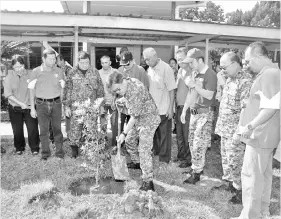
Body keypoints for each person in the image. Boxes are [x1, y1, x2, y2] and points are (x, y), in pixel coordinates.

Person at [231, 42, 280, 219]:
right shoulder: (269, 73)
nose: (246, 65)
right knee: (264, 176)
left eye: (248, 61)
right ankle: (262, 211)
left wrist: (250, 126)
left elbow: (270, 108)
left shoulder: (270, 74)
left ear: (259, 57)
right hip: (265, 137)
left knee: (251, 177)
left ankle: (249, 216)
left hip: (259, 135)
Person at [107, 70, 160, 191]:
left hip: (149, 119)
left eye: (118, 90)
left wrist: (123, 133)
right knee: (130, 140)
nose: (117, 93)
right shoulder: (127, 83)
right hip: (139, 117)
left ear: (122, 81)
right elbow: (130, 104)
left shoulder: (136, 90)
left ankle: (148, 182)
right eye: (115, 92)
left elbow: (133, 117)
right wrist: (121, 101)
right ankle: (137, 163)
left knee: (144, 149)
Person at [213, 52, 253, 204]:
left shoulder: (245, 81)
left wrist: (239, 132)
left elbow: (246, 109)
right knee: (227, 159)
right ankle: (230, 184)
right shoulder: (230, 78)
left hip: (235, 130)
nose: (222, 70)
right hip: (225, 128)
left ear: (235, 64)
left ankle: (241, 190)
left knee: (237, 161)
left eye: (224, 67)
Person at [182, 48, 217, 184]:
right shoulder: (196, 74)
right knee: (192, 141)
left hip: (205, 113)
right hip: (195, 112)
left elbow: (209, 95)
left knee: (198, 144)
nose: (190, 66)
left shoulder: (210, 74)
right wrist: (185, 110)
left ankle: (196, 173)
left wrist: (194, 86)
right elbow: (192, 94)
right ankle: (195, 167)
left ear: (200, 60)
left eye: (191, 62)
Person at [64, 51, 105, 158]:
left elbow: (100, 89)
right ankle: (74, 151)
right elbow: (67, 90)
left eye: (87, 62)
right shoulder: (72, 72)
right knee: (75, 129)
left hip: (91, 107)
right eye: (82, 62)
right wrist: (67, 106)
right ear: (78, 61)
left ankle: (90, 150)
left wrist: (100, 105)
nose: (85, 65)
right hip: (76, 107)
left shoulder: (94, 72)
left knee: (91, 128)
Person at [28, 49, 65, 160]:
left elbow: (62, 89)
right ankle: (45, 153)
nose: (53, 60)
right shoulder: (36, 71)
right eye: (50, 58)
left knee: (57, 129)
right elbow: (31, 90)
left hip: (56, 103)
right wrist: (32, 108)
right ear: (43, 59)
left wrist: (61, 105)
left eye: (54, 58)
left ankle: (59, 153)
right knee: (43, 131)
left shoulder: (59, 71)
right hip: (41, 104)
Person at [143, 47, 177, 163]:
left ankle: (164, 159)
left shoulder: (166, 68)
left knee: (165, 136)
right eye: (145, 60)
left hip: (164, 108)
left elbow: (172, 89)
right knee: (155, 134)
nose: (147, 62)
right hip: (153, 109)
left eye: (148, 60)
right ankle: (156, 152)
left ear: (155, 56)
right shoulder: (150, 69)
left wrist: (170, 109)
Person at [118, 51, 149, 169]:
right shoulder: (120, 70)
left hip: (139, 110)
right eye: (123, 65)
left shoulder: (141, 71)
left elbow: (145, 90)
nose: (125, 67)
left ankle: (143, 159)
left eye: (127, 64)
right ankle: (136, 161)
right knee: (128, 135)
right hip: (125, 108)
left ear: (132, 61)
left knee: (138, 135)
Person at [4, 55, 40, 155]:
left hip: (29, 107)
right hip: (15, 108)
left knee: (32, 128)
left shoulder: (30, 75)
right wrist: (20, 104)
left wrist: (32, 106)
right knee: (17, 129)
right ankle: (19, 147)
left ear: (24, 65)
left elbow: (34, 90)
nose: (19, 69)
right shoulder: (9, 77)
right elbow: (8, 94)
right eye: (16, 67)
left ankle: (35, 148)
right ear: (12, 67)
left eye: (20, 66)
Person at [173, 48, 192, 168]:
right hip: (179, 107)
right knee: (179, 134)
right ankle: (181, 156)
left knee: (186, 135)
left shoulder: (191, 71)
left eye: (181, 59)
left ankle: (188, 158)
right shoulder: (180, 70)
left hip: (187, 108)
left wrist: (182, 77)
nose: (179, 62)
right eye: (178, 59)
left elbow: (191, 86)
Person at [98, 55, 118, 147]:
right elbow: (97, 90)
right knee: (103, 124)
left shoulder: (115, 72)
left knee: (114, 124)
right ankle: (103, 144)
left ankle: (115, 145)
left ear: (110, 62)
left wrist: (115, 99)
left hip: (114, 102)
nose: (104, 64)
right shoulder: (98, 73)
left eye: (106, 62)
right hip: (103, 103)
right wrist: (100, 104)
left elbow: (119, 87)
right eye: (102, 63)